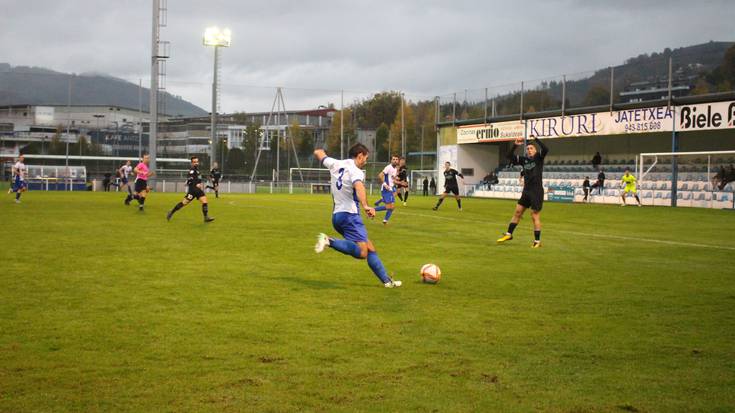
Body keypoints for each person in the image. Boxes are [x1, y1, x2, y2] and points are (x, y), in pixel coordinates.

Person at [313, 144, 402, 288]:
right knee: (362, 252)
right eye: (365, 158)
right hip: (350, 216)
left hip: (337, 216)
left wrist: (319, 151)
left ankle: (387, 281)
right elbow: (359, 187)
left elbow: (320, 154)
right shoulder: (356, 171)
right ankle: (329, 241)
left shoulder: (336, 163)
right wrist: (366, 206)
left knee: (370, 247)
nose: (365, 161)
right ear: (359, 155)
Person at [497, 136, 549, 248]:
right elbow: (508, 156)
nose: (529, 150)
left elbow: (546, 149)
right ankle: (509, 234)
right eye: (528, 148)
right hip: (526, 191)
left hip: (536, 191)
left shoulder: (539, 158)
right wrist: (515, 145)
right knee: (517, 212)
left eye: (531, 148)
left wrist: (536, 140)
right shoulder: (523, 160)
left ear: (535, 150)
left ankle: (537, 241)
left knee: (534, 216)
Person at [167, 156, 215, 223]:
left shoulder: (197, 170)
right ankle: (171, 212)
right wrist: (196, 184)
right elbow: (190, 179)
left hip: (198, 190)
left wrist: (207, 177)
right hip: (193, 190)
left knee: (204, 201)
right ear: (192, 163)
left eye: (197, 162)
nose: (196, 163)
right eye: (194, 162)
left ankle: (206, 217)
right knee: (184, 203)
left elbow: (197, 178)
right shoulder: (192, 170)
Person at [374, 155, 399, 224]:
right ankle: (372, 210)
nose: (395, 160)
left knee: (392, 207)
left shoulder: (395, 169)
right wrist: (385, 185)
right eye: (393, 159)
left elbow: (392, 179)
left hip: (391, 189)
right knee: (389, 207)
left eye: (396, 159)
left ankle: (385, 221)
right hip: (386, 190)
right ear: (391, 160)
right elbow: (380, 175)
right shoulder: (388, 167)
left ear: (398, 161)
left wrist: (400, 182)